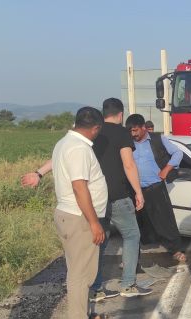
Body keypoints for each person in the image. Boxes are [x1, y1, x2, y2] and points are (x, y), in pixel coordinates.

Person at [21, 98, 150, 301]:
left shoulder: (85, 133)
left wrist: (39, 173)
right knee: (132, 235)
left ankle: (96, 288)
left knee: (99, 241)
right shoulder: (121, 133)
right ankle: (128, 284)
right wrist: (138, 192)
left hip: (93, 200)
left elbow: (62, 157)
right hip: (117, 195)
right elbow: (129, 164)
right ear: (121, 114)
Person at [51, 107, 110, 319]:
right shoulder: (78, 148)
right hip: (79, 217)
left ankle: (84, 313)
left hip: (71, 215)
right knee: (80, 273)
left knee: (80, 268)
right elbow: (79, 187)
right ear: (95, 128)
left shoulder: (64, 143)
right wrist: (94, 223)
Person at [125, 114, 191, 262]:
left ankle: (175, 249)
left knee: (165, 220)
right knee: (136, 224)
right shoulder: (127, 142)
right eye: (130, 131)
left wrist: (167, 169)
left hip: (155, 187)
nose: (133, 134)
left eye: (136, 130)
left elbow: (178, 153)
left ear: (144, 127)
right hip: (134, 189)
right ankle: (133, 257)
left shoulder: (158, 139)